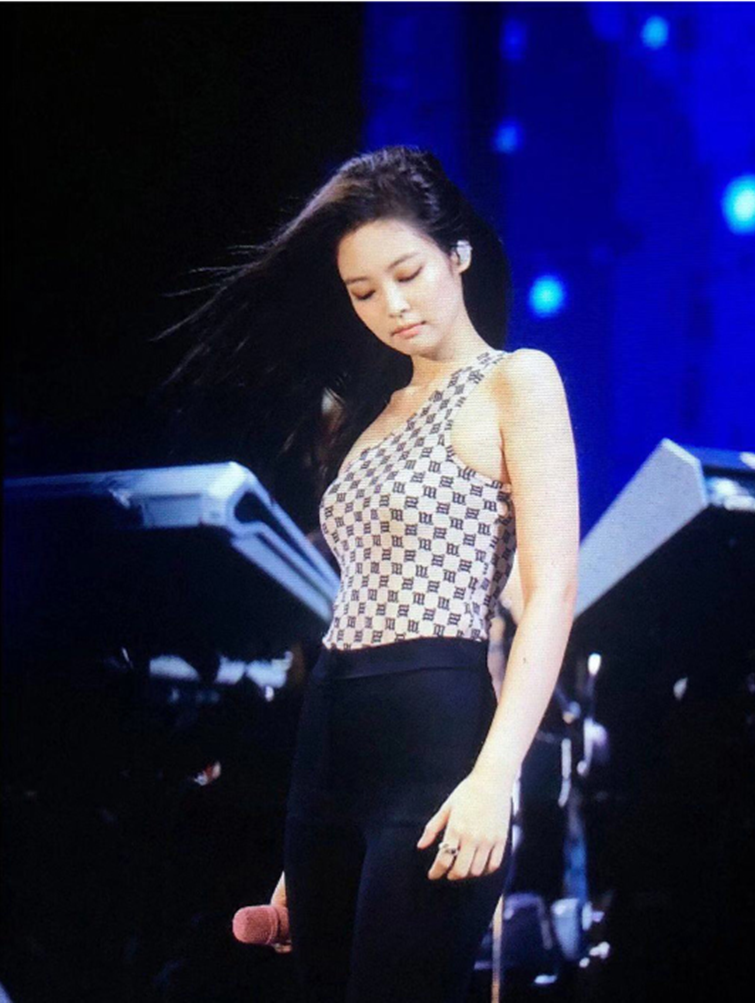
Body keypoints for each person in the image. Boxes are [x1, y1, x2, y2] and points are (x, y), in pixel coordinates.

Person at [159, 146, 579, 1003]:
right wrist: (304, 846)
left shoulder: (516, 381)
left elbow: (550, 595)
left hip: (437, 737)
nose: (392, 306)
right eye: (362, 291)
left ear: (458, 253)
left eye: (408, 274)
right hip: (329, 744)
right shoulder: (371, 414)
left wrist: (494, 777)